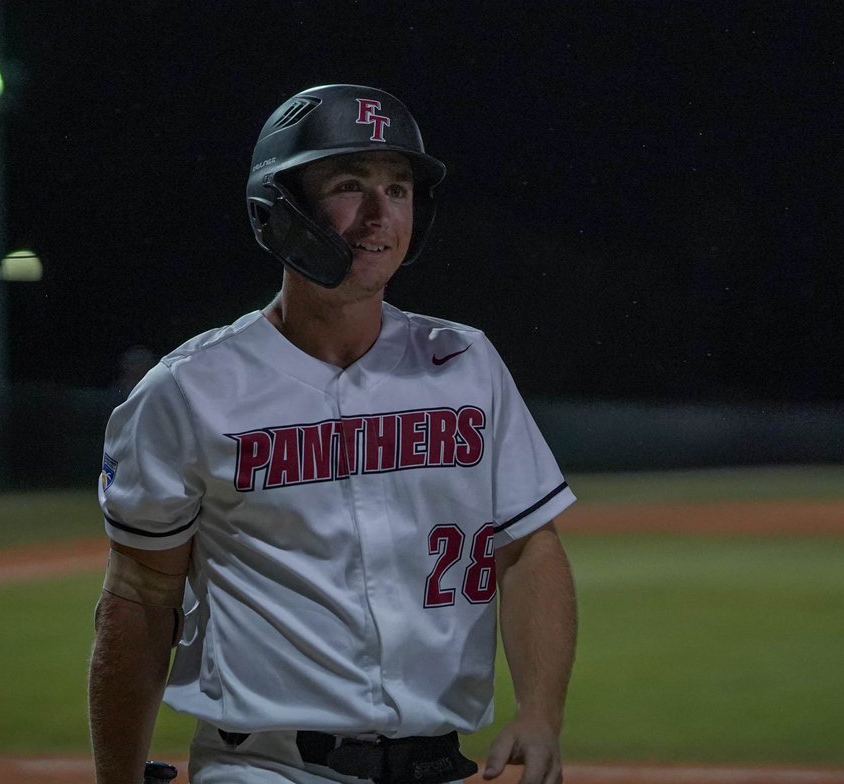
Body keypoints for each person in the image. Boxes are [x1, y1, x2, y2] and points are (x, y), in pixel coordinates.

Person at [88, 84, 578, 784]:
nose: (380, 215)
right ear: (280, 208)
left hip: (437, 765)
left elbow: (528, 547)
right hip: (266, 766)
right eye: (350, 186)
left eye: (398, 190)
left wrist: (541, 712)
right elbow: (141, 595)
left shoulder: (465, 363)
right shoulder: (191, 388)